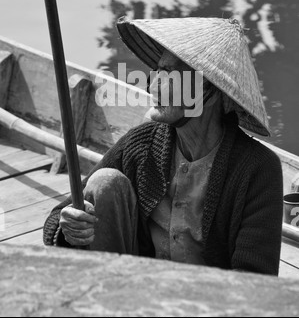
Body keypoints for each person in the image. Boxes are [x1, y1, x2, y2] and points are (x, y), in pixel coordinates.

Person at [43, 17, 283, 276]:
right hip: (134, 289)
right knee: (104, 182)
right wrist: (70, 225)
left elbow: (255, 277)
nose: (154, 84)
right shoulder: (142, 143)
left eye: (170, 75)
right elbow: (58, 218)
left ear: (210, 92)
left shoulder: (257, 169)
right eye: (158, 71)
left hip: (211, 304)